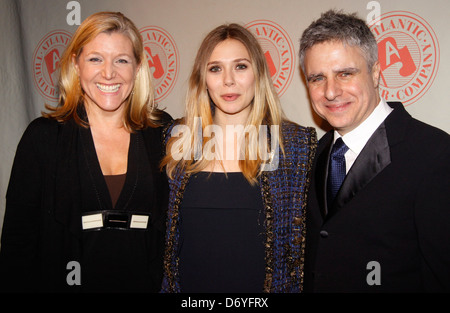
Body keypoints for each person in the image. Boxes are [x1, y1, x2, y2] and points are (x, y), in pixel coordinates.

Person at [0, 12, 171, 292]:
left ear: (138, 68)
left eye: (121, 60)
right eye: (95, 59)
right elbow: (18, 245)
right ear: (76, 65)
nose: (108, 73)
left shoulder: (162, 132)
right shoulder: (43, 138)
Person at [299, 9, 450, 292]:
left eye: (345, 73)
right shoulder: (316, 153)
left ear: (376, 72)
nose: (330, 92)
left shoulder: (435, 154)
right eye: (317, 78)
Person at [159, 23, 316, 293]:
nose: (228, 80)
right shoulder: (176, 139)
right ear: (202, 78)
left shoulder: (294, 145)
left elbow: (305, 250)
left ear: (259, 73)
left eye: (241, 66)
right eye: (215, 68)